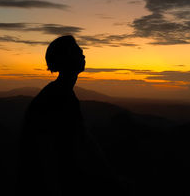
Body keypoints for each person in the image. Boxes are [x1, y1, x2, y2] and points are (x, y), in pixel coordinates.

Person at [17, 35, 121, 196]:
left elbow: (84, 138)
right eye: (77, 51)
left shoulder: (62, 94)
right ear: (65, 58)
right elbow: (46, 150)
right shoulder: (57, 97)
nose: (83, 54)